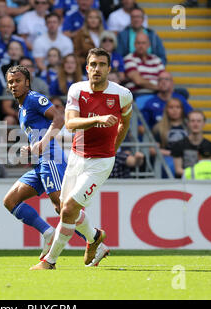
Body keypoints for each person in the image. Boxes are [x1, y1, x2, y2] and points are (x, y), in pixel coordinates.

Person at [30, 48, 133, 270]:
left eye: (102, 64)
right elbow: (70, 123)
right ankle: (95, 237)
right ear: (87, 68)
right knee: (63, 208)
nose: (97, 69)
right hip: (77, 156)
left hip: (100, 162)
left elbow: (125, 122)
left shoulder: (122, 94)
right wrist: (99, 119)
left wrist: (114, 147)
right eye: (93, 64)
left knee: (68, 209)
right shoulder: (77, 90)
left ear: (109, 68)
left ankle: (50, 261)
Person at [3, 64, 79, 262]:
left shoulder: (34, 98)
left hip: (51, 158)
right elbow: (38, 134)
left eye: (18, 81)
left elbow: (59, 118)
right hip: (40, 162)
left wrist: (43, 144)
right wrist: (30, 149)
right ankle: (48, 233)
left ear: (27, 82)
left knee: (62, 207)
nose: (13, 85)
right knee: (10, 201)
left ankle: (94, 238)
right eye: (10, 82)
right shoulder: (21, 109)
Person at [171, 110, 211, 178]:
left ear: (204, 123)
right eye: (192, 121)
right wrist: (197, 174)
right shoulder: (179, 144)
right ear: (188, 123)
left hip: (204, 181)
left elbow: (210, 166)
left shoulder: (209, 145)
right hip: (184, 184)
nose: (195, 124)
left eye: (198, 121)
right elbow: (178, 170)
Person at [150, 98, 188, 178]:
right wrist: (172, 153)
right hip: (169, 158)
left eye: (178, 107)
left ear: (182, 110)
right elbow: (153, 150)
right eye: (171, 107)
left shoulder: (188, 127)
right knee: (170, 164)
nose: (175, 110)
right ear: (166, 110)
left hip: (186, 157)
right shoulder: (159, 128)